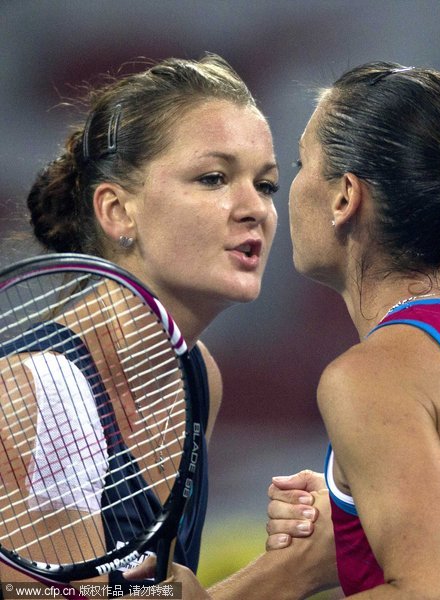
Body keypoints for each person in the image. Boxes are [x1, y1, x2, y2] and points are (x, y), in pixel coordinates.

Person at [266, 61, 440, 599]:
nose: (288, 186)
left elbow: (437, 594)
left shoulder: (371, 379)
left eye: (303, 162)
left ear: (344, 198)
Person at [0, 53, 282, 594]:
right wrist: (291, 572)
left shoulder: (197, 377)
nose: (255, 209)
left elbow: (158, 589)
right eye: (214, 178)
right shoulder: (37, 397)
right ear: (118, 212)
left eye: (265, 184)